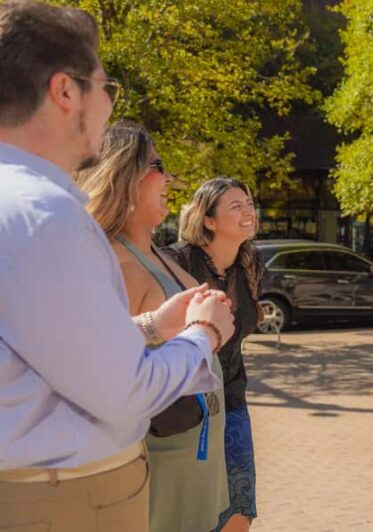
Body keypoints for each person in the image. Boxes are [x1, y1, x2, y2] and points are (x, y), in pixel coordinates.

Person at [0, 2, 235, 531]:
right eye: (107, 87)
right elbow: (126, 395)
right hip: (69, 499)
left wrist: (154, 326)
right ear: (65, 91)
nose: (109, 105)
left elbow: (50, 347)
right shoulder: (47, 216)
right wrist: (203, 333)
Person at [78, 121, 230, 532]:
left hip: (196, 449)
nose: (169, 178)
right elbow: (100, 359)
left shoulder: (159, 255)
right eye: (158, 166)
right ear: (123, 174)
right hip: (164, 453)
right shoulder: (116, 262)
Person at [165, 177, 264, 531]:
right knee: (192, 513)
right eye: (235, 206)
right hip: (187, 408)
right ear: (208, 220)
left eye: (249, 204)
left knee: (240, 506)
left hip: (233, 400)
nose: (247, 212)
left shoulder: (250, 262)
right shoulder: (175, 261)